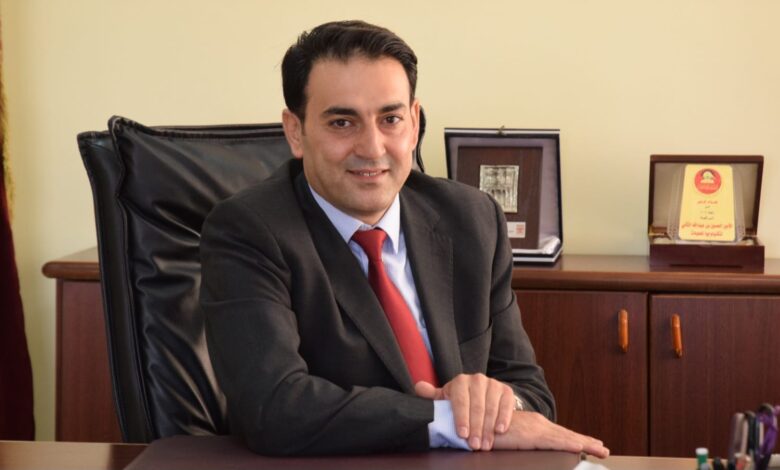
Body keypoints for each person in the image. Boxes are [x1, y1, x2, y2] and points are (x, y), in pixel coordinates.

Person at [199, 20, 608, 458]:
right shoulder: (248, 231)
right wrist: (446, 420)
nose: (372, 147)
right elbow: (274, 407)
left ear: (413, 123)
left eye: (390, 119)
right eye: (342, 122)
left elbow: (531, 395)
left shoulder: (472, 220)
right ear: (295, 132)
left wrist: (499, 407)